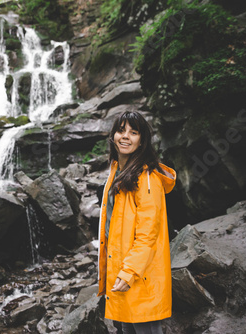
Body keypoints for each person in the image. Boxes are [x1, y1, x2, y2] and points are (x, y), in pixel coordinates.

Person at [97, 111, 176, 334]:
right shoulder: (116, 171)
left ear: (142, 141)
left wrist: (128, 271)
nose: (125, 136)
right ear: (112, 135)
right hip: (121, 272)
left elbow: (148, 234)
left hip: (140, 275)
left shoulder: (148, 177)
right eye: (121, 130)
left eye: (133, 132)